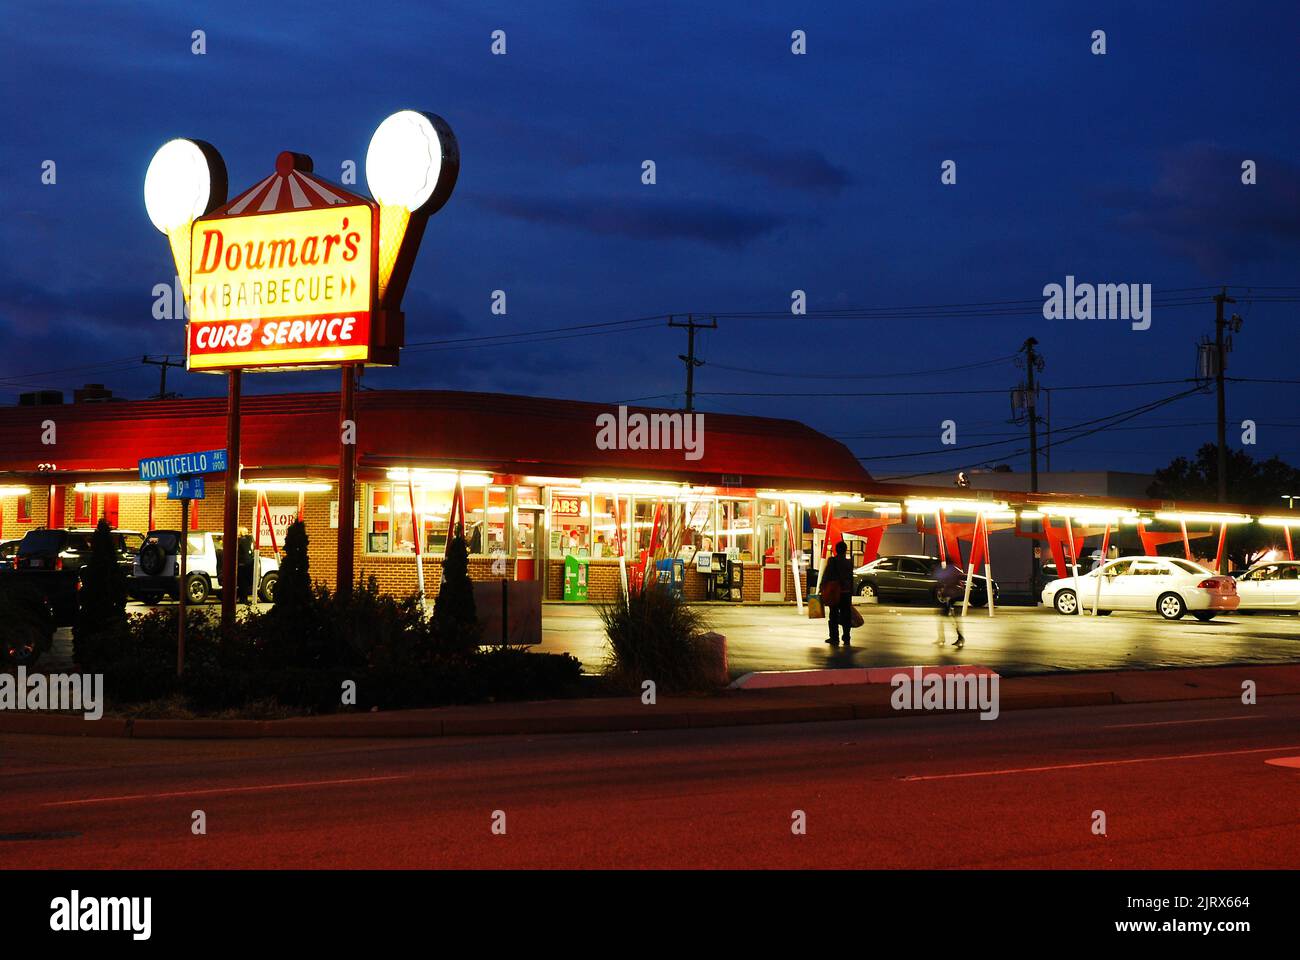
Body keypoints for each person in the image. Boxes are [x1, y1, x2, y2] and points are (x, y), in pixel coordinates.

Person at [821, 540, 855, 647]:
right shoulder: (849, 562)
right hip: (846, 592)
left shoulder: (832, 561)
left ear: (836, 550)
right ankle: (846, 636)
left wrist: (822, 586)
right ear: (846, 550)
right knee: (846, 615)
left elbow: (826, 575)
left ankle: (834, 637)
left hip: (834, 592)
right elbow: (850, 578)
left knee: (834, 615)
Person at [934, 562, 965, 647]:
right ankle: (946, 638)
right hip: (953, 597)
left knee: (944, 618)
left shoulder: (948, 571)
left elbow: (948, 583)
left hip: (951, 597)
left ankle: (946, 638)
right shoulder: (953, 570)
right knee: (950, 618)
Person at [236, 526, 255, 604]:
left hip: (241, 564)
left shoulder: (239, 540)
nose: (248, 533)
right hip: (247, 563)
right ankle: (244, 598)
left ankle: (242, 598)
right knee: (245, 583)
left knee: (242, 582)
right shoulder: (247, 540)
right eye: (246, 532)